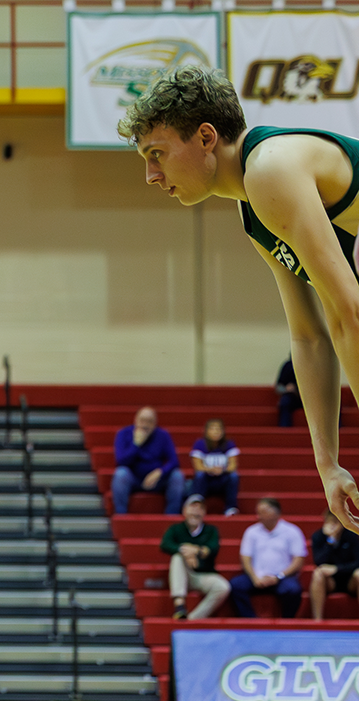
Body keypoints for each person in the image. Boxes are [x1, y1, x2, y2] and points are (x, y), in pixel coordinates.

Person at [120, 70, 359, 538]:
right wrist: (327, 464)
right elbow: (309, 337)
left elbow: (347, 313)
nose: (151, 175)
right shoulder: (252, 207)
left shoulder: (271, 169)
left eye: (157, 154)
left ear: (206, 137)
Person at [230, 497, 309, 618]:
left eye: (262, 512)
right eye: (258, 512)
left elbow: (298, 560)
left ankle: (286, 621)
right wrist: (255, 577)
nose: (259, 516)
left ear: (275, 513)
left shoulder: (292, 531)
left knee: (293, 590)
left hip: (281, 577)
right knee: (236, 585)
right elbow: (245, 557)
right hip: (257, 577)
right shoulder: (252, 532)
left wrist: (279, 576)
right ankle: (250, 620)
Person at [163, 495, 229, 621]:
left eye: (200, 508)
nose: (196, 511)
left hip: (204, 575)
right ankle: (179, 605)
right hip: (183, 574)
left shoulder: (211, 530)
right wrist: (185, 551)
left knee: (223, 587)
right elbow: (165, 545)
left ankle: (193, 618)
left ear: (204, 513)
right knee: (177, 557)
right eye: (192, 507)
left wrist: (196, 551)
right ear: (184, 511)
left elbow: (212, 549)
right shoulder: (176, 529)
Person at [111, 407, 184, 515]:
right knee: (120, 473)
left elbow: (174, 461)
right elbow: (121, 461)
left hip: (157, 480)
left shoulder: (163, 435)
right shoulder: (123, 433)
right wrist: (136, 445)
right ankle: (121, 515)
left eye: (149, 422)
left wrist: (159, 472)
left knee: (177, 476)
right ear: (135, 420)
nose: (145, 425)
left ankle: (172, 516)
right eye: (142, 421)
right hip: (134, 478)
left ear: (155, 423)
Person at [311, 509, 359, 621]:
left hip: (350, 580)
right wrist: (330, 541)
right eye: (329, 522)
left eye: (335, 522)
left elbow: (358, 562)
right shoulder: (318, 536)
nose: (332, 526)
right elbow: (318, 561)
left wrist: (337, 569)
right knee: (317, 574)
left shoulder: (351, 536)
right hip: (330, 582)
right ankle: (317, 620)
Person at [190, 419, 241, 516]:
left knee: (233, 476)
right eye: (212, 429)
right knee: (199, 475)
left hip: (222, 480)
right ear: (206, 431)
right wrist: (211, 470)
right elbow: (198, 466)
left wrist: (222, 470)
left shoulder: (229, 444)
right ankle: (197, 506)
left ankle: (230, 508)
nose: (215, 432)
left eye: (218, 429)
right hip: (207, 480)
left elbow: (233, 465)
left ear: (223, 432)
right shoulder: (200, 444)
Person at [277, 358, 302, 427]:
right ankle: (285, 429)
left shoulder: (311, 365)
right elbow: (278, 387)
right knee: (285, 402)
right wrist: (286, 389)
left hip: (309, 396)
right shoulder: (288, 366)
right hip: (292, 396)